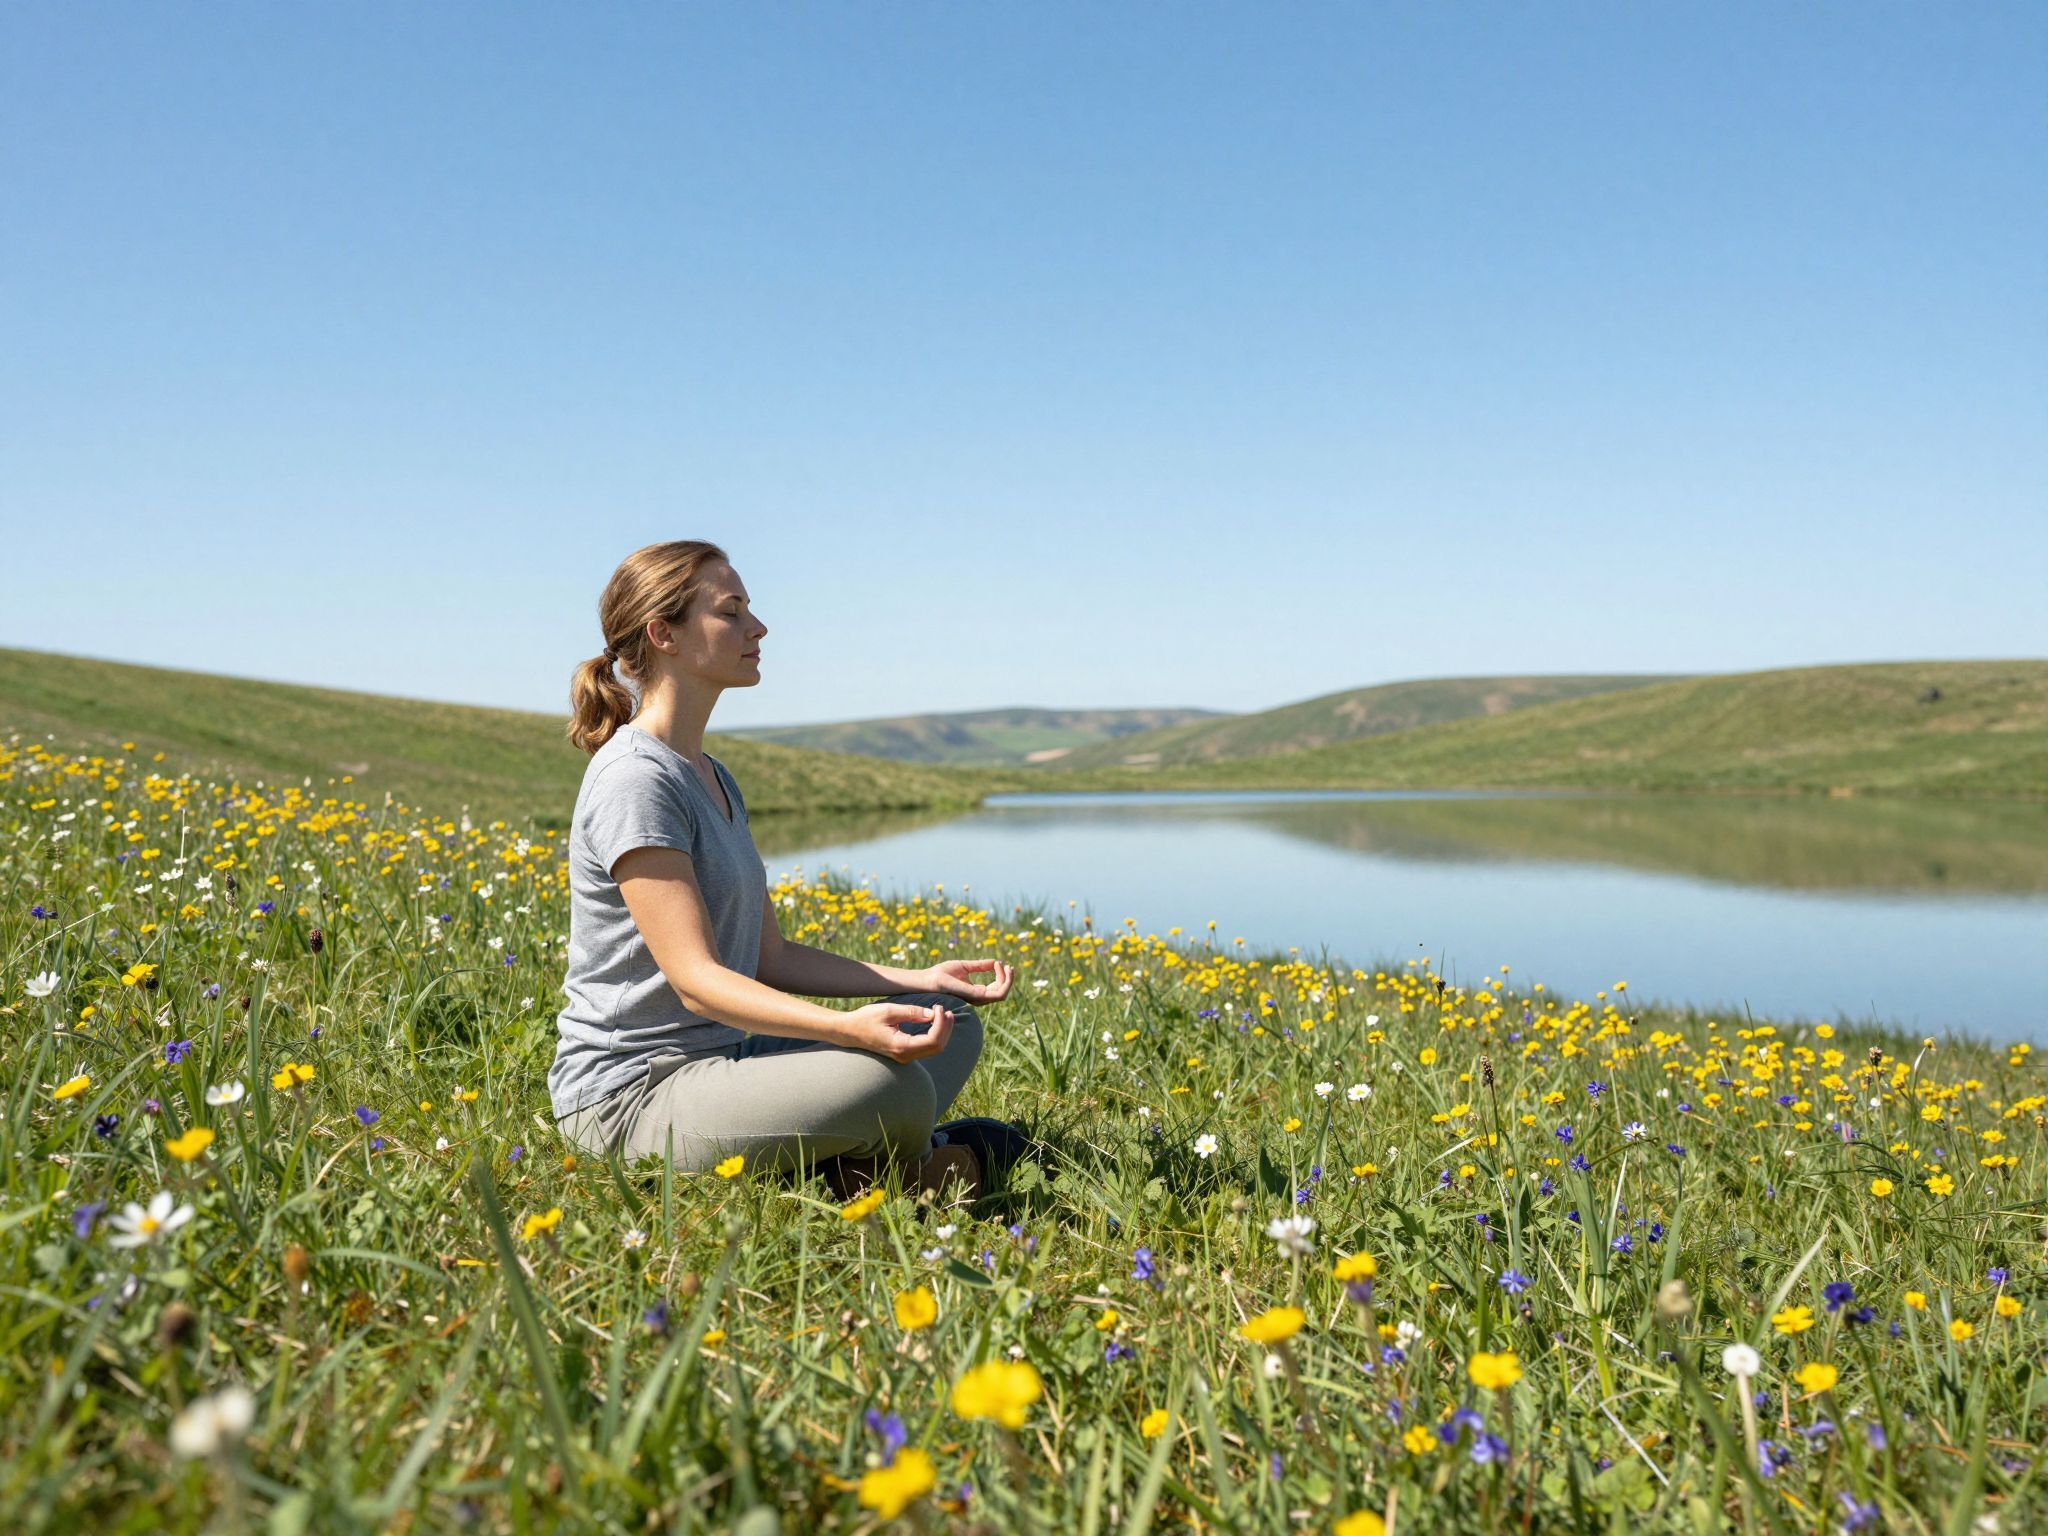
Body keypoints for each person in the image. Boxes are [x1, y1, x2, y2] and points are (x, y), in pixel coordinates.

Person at [550, 538, 1008, 1199]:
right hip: (632, 1094)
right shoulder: (635, 780)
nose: (757, 628)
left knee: (946, 1020)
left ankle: (858, 1164)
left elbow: (767, 956)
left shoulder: (713, 776)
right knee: (890, 1082)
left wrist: (920, 979)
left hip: (723, 1062)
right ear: (663, 634)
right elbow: (698, 985)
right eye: (730, 611)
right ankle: (910, 1172)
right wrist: (844, 1029)